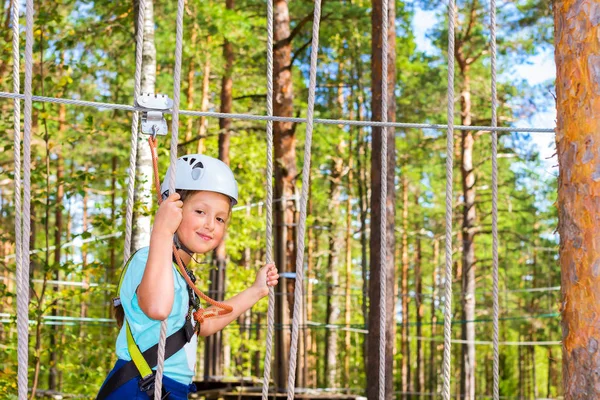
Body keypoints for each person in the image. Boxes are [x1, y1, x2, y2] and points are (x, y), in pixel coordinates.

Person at [97, 154, 279, 399]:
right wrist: (162, 229)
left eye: (220, 218)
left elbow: (201, 325)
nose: (211, 225)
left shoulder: (181, 275)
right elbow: (158, 308)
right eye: (200, 211)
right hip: (140, 386)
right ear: (173, 209)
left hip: (164, 388)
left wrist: (255, 291)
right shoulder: (147, 259)